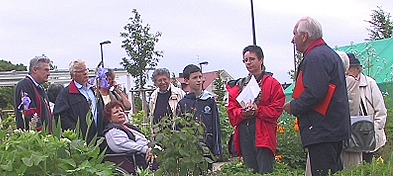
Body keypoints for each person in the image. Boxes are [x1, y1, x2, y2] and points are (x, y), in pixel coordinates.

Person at [283, 17, 350, 176]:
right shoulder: (329, 54)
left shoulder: (315, 57)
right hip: (331, 128)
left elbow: (315, 93)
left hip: (322, 129)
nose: (293, 39)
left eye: (295, 34)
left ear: (304, 36)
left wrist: (293, 106)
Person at [226, 45, 285, 174]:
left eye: (251, 59)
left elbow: (276, 110)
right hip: (245, 132)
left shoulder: (272, 84)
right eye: (245, 60)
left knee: (265, 170)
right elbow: (231, 111)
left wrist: (257, 110)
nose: (248, 63)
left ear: (261, 60)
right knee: (250, 171)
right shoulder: (239, 85)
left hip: (263, 134)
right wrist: (243, 112)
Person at [346, 53, 387, 163]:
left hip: (368, 132)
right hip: (352, 134)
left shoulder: (370, 83)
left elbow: (381, 110)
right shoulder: (344, 84)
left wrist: (374, 129)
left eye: (349, 68)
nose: (347, 72)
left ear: (356, 69)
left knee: (368, 163)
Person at [176, 64, 222, 161]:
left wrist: (217, 149)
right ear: (186, 80)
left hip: (207, 149)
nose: (199, 80)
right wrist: (180, 152)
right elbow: (178, 129)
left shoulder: (209, 101)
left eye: (200, 77)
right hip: (190, 151)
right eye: (195, 78)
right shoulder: (183, 103)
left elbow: (216, 125)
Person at [54, 59, 105, 142]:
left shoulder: (94, 90)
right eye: (80, 71)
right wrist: (75, 131)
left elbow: (102, 109)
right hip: (81, 141)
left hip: (99, 138)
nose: (85, 73)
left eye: (85, 69)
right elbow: (60, 116)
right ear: (72, 75)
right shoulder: (66, 94)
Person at [103, 100, 157, 169]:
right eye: (116, 112)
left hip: (146, 153)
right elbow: (125, 145)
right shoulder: (112, 132)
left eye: (121, 111)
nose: (120, 113)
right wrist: (145, 149)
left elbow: (142, 140)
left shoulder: (129, 127)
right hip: (134, 161)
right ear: (109, 118)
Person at [14, 55, 51, 131]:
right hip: (32, 138)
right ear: (34, 69)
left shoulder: (40, 88)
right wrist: (41, 132)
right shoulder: (25, 85)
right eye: (46, 70)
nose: (49, 74)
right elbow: (29, 113)